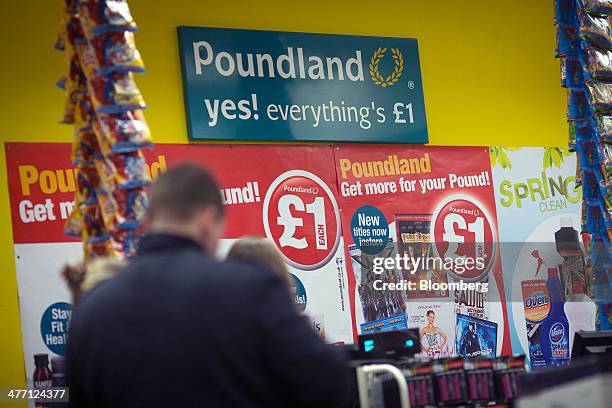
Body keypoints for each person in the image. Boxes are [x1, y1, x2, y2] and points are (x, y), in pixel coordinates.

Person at [66, 163, 350, 408]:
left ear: (148, 221)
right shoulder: (250, 289)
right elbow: (330, 383)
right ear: (208, 218)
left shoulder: (92, 309)